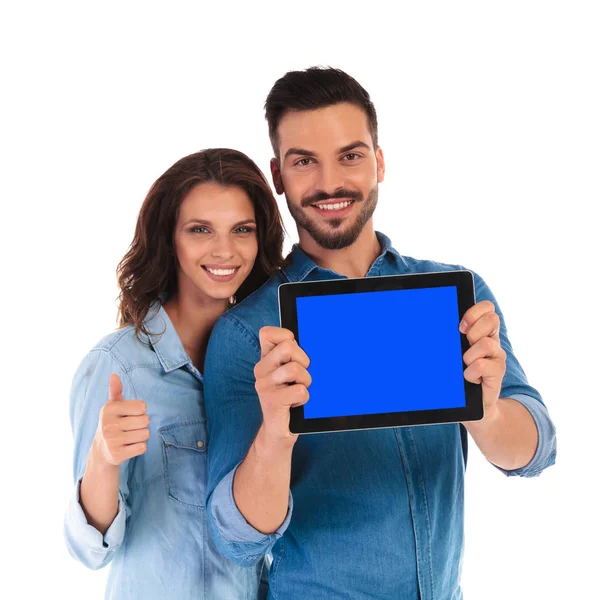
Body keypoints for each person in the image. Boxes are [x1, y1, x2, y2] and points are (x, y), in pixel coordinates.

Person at [203, 68, 557, 600]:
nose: (329, 183)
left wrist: (485, 411)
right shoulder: (246, 332)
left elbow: (535, 450)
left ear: (380, 161)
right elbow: (235, 539)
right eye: (304, 161)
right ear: (278, 175)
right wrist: (276, 435)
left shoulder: (454, 296)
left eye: (350, 155)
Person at [64, 148, 285, 600]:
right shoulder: (119, 365)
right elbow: (90, 549)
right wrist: (103, 458)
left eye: (242, 230)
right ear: (170, 239)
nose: (225, 250)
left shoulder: (263, 361)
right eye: (200, 230)